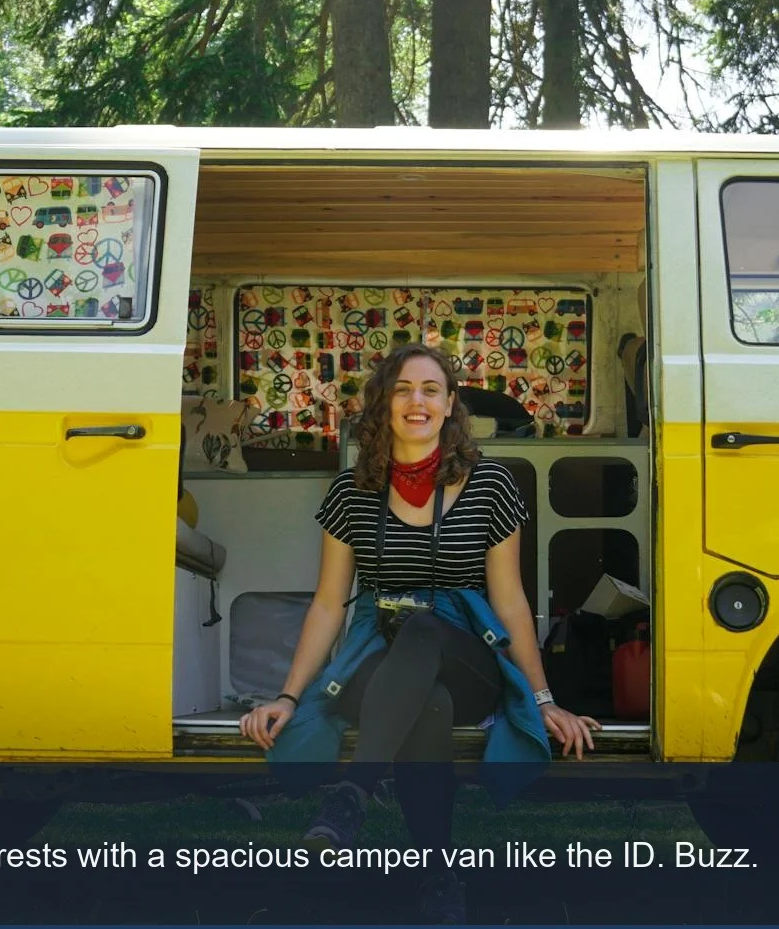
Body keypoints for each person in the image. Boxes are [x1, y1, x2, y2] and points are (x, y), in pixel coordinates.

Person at [240, 343, 601, 923]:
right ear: (383, 405)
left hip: (466, 656)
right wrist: (288, 694)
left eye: (431, 390)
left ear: (450, 404)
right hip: (378, 659)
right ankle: (440, 876)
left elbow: (508, 599)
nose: (417, 402)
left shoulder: (491, 486)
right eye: (403, 389)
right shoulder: (351, 492)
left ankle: (351, 796)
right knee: (424, 702)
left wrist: (543, 698)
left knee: (427, 627)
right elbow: (330, 603)